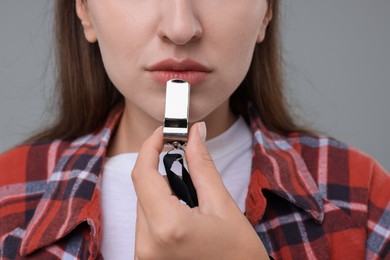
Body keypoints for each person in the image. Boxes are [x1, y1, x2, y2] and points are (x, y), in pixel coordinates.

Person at [0, 0, 389, 259]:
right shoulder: (7, 195)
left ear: (266, 11)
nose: (181, 28)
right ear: (84, 9)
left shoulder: (363, 198)